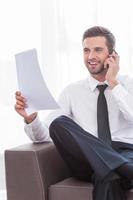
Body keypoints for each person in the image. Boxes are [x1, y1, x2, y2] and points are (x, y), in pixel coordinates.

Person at [15, 26, 133, 200]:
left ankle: (117, 168)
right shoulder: (72, 91)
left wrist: (113, 83)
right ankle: (126, 170)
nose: (91, 56)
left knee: (107, 178)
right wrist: (31, 118)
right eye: (86, 50)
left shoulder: (127, 85)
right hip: (87, 157)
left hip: (125, 152)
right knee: (58, 123)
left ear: (112, 55)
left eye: (98, 50)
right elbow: (45, 135)